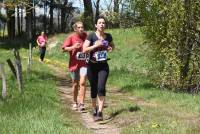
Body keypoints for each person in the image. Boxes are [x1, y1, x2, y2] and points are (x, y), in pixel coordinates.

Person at [83, 16, 115, 121]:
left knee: (101, 88)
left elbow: (112, 46)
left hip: (103, 66)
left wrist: (110, 48)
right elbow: (84, 49)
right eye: (100, 23)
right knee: (93, 88)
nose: (102, 24)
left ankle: (100, 112)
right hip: (92, 66)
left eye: (103, 23)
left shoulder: (108, 36)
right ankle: (94, 110)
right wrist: (95, 46)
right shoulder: (91, 36)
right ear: (96, 25)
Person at [61, 21, 88, 111]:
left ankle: (82, 103)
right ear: (75, 29)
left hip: (84, 64)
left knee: (83, 83)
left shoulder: (86, 36)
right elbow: (64, 49)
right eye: (79, 27)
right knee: (75, 84)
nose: (81, 29)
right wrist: (73, 47)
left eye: (82, 27)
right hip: (74, 65)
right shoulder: (71, 37)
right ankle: (74, 101)